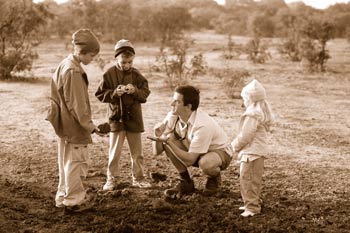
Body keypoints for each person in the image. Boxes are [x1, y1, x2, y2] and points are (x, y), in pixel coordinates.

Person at [46, 29, 102, 210]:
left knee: (66, 162)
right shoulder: (74, 71)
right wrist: (91, 127)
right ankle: (74, 201)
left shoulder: (64, 64)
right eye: (92, 56)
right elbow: (78, 106)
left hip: (64, 123)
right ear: (82, 52)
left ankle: (63, 197)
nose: (91, 60)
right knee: (76, 163)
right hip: (74, 126)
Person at [152, 85, 233, 198]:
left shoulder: (202, 124)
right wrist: (158, 136)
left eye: (177, 101)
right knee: (169, 138)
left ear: (188, 106)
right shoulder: (173, 115)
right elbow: (157, 151)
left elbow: (190, 160)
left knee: (206, 164)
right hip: (194, 149)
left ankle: (213, 177)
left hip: (219, 152)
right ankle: (186, 182)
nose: (172, 104)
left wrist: (168, 142)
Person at [95, 39, 151, 190]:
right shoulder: (109, 74)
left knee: (137, 153)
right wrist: (114, 93)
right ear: (116, 58)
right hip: (116, 119)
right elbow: (100, 94)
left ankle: (138, 178)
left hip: (134, 118)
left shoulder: (137, 74)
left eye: (130, 62)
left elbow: (145, 94)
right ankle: (111, 179)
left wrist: (135, 91)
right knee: (114, 152)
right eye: (123, 62)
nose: (127, 65)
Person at [231, 79, 273, 217]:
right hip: (254, 152)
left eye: (244, 98)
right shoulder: (257, 113)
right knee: (249, 179)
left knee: (248, 179)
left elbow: (246, 135)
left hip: (252, 153)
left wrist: (233, 146)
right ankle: (249, 203)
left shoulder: (252, 115)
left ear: (249, 99)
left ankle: (252, 207)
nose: (243, 101)